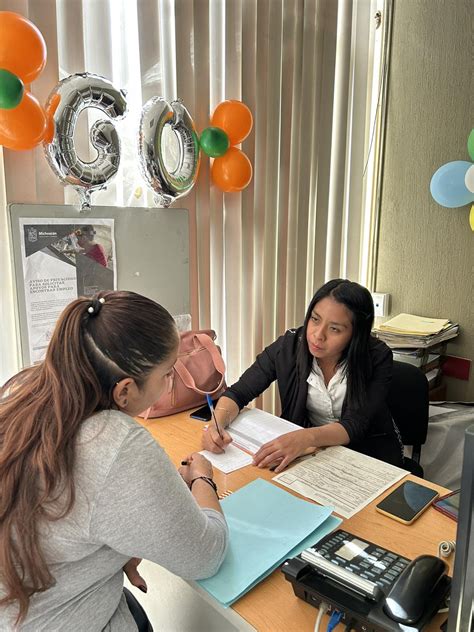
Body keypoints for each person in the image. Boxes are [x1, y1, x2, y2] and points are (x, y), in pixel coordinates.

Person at [0, 291, 228, 631]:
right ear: (124, 391)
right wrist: (201, 477)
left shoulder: (23, 393)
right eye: (168, 374)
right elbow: (206, 554)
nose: (171, 384)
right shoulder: (113, 442)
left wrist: (118, 546)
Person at [202, 278, 404, 471]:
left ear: (356, 334)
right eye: (315, 319)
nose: (318, 335)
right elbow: (239, 393)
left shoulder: (377, 357)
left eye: (334, 329)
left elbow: (356, 425)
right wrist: (216, 425)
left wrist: (306, 437)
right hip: (311, 456)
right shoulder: (289, 346)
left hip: (367, 457)